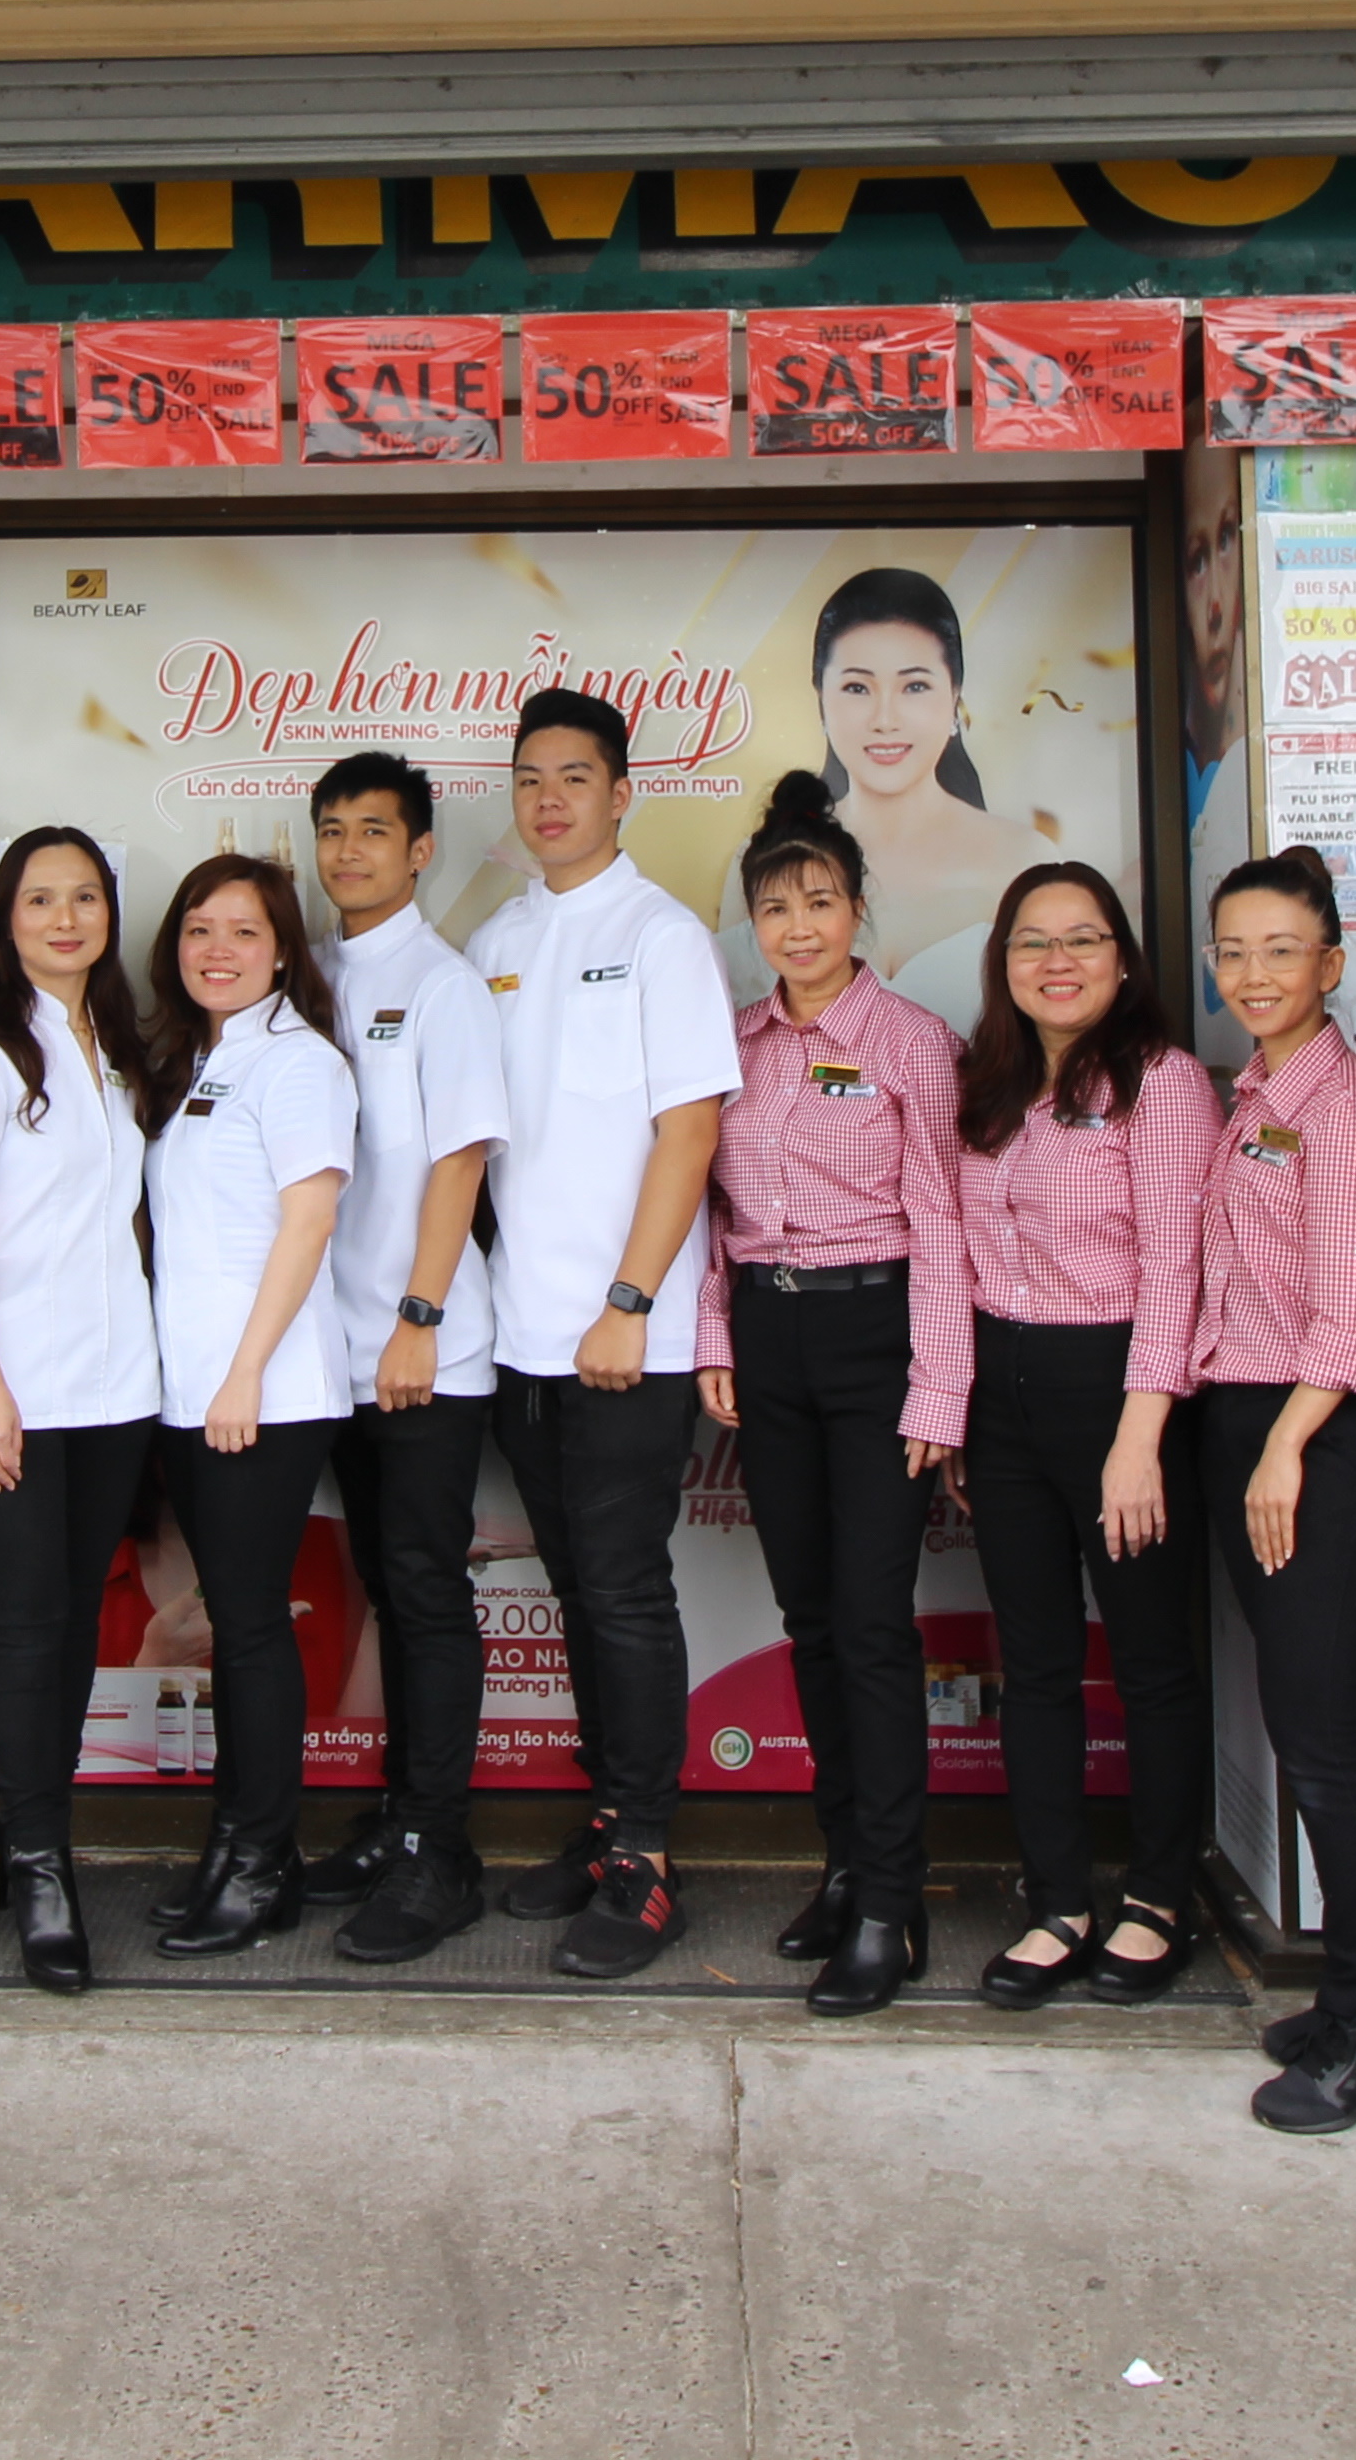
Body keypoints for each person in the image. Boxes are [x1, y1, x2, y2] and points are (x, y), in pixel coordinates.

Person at [471, 687, 738, 1978]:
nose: (550, 800)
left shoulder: (664, 936)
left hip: (626, 1340)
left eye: (574, 777)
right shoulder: (502, 936)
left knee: (625, 1593)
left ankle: (646, 1860)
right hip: (520, 1340)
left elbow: (689, 1133)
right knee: (578, 1590)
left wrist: (631, 1304)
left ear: (622, 794)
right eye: (529, 780)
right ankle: (604, 1820)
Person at [697, 768, 966, 2018]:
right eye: (776, 909)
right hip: (770, 1339)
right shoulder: (734, 1046)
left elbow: (944, 1229)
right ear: (753, 923)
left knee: (871, 1625)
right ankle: (845, 1866)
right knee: (809, 1620)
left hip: (877, 1341)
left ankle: (895, 1903)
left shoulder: (913, 1043)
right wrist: (715, 1334)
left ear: (859, 907)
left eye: (820, 902)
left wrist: (938, 1392)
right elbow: (707, 1210)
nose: (798, 928)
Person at [1189, 849, 1356, 2131]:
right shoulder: (1256, 1093)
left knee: (1315, 1733)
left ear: (1332, 967)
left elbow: (1354, 1317)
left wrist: (1284, 1448)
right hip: (1256, 1420)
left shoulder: (1345, 1109)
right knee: (1342, 1711)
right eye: (1232, 951)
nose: (1252, 974)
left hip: (1320, 1435)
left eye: (1280, 951)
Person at [944, 859, 1218, 2011]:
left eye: (1083, 939)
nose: (1057, 963)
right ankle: (1057, 1895)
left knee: (1152, 1662)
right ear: (1003, 964)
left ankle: (1159, 1894)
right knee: (1036, 1661)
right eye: (1031, 942)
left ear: (1122, 958)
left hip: (1120, 1390)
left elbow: (1178, 1268)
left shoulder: (1161, 1084)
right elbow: (954, 1256)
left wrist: (1138, 1434)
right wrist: (956, 1408)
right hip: (1001, 1389)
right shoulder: (989, 1085)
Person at [0, 828, 159, 1993]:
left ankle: (38, 1841)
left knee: (69, 1617)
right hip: (9, 1384)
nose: (63, 918)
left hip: (116, 1385)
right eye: (38, 899)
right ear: (7, 919)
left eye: (84, 898)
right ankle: (39, 1860)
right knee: (20, 1622)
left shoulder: (118, 1046)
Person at [294, 750, 509, 1966]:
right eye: (332, 829)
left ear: (420, 849)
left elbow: (457, 1164)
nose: (348, 852)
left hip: (421, 1351)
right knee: (386, 1581)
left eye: (373, 831)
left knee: (427, 1595)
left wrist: (420, 1319)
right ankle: (397, 1820)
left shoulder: (442, 984)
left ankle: (440, 1852)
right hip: (333, 1352)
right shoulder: (310, 972)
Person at [127, 855, 357, 1955]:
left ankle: (262, 1860)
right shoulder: (192, 1060)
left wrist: (245, 1373)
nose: (219, 949)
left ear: (281, 952)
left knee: (251, 1627)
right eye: (199, 929)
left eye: (245, 932)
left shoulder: (298, 1063)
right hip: (194, 1391)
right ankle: (242, 1841)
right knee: (233, 1622)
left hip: (257, 1393)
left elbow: (307, 1225)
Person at [718, 567, 1050, 1033]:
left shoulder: (1026, 860)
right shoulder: (763, 860)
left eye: (915, 686)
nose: (885, 719)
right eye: (857, 687)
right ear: (821, 702)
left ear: (955, 698)